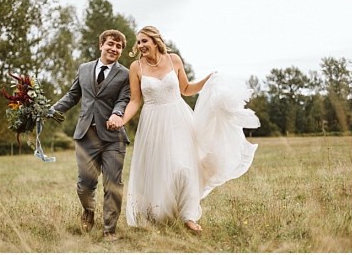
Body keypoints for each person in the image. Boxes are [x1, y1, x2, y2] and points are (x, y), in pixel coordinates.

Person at [119, 26, 259, 233]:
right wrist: (121, 120)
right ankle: (158, 214)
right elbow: (134, 100)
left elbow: (186, 89)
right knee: (159, 169)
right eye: (138, 42)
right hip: (152, 123)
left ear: (155, 41)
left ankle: (188, 216)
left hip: (177, 119)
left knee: (183, 166)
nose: (140, 46)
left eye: (144, 41)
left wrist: (207, 80)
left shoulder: (173, 60)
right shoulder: (136, 67)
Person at [50, 29, 131, 241]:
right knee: (84, 185)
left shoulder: (125, 74)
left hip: (113, 138)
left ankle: (109, 230)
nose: (114, 48)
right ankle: (88, 210)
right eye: (110, 44)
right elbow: (72, 95)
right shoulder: (84, 69)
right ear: (101, 45)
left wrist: (117, 113)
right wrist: (51, 110)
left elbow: (124, 99)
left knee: (113, 184)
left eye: (119, 46)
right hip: (86, 135)